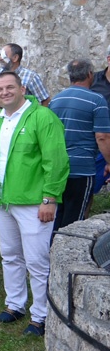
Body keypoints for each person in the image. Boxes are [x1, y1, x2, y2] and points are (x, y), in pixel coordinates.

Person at [0, 71, 68, 337]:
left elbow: (55, 161)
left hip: (34, 202)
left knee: (36, 261)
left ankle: (41, 316)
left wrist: (50, 198)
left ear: (23, 88)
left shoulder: (42, 117)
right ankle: (15, 305)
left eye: (10, 87)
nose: (5, 92)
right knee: (10, 256)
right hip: (5, 202)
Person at [49, 60, 110, 231]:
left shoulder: (56, 100)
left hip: (58, 168)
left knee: (57, 215)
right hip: (81, 169)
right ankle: (64, 255)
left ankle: (51, 252)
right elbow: (103, 137)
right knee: (74, 221)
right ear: (90, 74)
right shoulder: (96, 100)